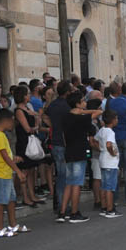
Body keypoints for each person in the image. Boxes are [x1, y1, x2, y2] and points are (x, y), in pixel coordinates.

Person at [57, 91, 102, 223]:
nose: (85, 103)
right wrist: (84, 111)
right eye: (82, 101)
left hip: (69, 151)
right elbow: (98, 112)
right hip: (79, 151)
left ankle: (62, 211)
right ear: (77, 104)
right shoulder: (82, 118)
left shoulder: (65, 117)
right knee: (77, 183)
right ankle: (75, 212)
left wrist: (80, 111)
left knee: (69, 183)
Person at [0, 109, 29, 237]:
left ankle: (13, 225)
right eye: (12, 121)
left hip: (6, 172)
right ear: (6, 120)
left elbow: (6, 156)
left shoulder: (0, 134)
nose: (13, 124)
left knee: (11, 199)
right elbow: (4, 156)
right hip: (0, 173)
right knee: (1, 201)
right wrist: (18, 171)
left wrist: (14, 161)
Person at [13, 85, 44, 206]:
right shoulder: (19, 111)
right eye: (27, 94)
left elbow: (37, 119)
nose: (29, 96)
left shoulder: (27, 109)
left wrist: (36, 120)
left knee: (31, 170)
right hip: (24, 143)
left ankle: (32, 194)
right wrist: (36, 126)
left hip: (30, 141)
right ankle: (25, 196)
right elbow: (27, 128)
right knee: (25, 170)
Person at [45, 80, 72, 210]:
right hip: (64, 142)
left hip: (55, 141)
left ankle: (60, 203)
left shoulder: (53, 105)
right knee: (64, 176)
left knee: (60, 175)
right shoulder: (68, 106)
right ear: (67, 92)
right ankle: (63, 205)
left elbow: (45, 116)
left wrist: (53, 126)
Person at [95, 109, 122, 218]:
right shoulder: (110, 132)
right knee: (110, 187)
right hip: (110, 162)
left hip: (102, 159)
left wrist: (100, 149)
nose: (117, 120)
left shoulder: (102, 130)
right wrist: (112, 153)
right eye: (116, 118)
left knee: (104, 186)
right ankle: (110, 209)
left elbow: (93, 140)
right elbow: (109, 144)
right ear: (113, 120)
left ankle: (104, 207)